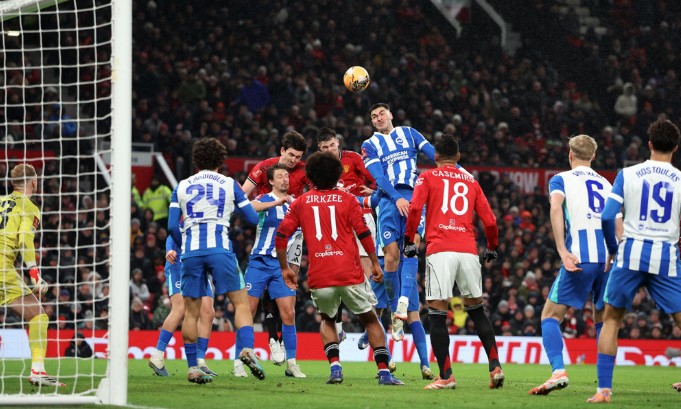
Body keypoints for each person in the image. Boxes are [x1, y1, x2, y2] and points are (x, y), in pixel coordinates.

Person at [275, 151, 403, 386]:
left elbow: (281, 235)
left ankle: (335, 368)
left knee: (327, 319)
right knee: (370, 319)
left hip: (320, 275)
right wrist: (375, 262)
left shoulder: (301, 202)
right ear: (336, 175)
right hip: (349, 272)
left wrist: (285, 268)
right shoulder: (348, 199)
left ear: (310, 175)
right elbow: (363, 233)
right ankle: (384, 372)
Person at [403, 133, 504, 389]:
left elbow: (414, 209)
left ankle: (446, 375)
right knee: (477, 310)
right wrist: (492, 247)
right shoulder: (471, 181)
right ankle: (495, 367)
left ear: (435, 156)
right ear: (458, 156)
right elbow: (490, 220)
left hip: (440, 250)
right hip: (468, 251)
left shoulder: (427, 177)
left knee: (437, 313)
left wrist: (409, 241)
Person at [590, 119, 681, 403]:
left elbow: (608, 216)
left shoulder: (627, 174)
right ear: (675, 148)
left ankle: (604, 391)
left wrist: (612, 249)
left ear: (649, 144)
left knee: (611, 320)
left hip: (630, 252)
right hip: (665, 255)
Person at [530, 134, 621, 395]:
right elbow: (619, 226)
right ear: (593, 156)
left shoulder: (561, 179)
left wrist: (562, 250)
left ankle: (558, 371)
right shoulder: (607, 183)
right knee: (604, 321)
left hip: (580, 257)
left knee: (550, 316)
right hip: (608, 260)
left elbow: (555, 208)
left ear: (570, 154)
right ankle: (604, 385)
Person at [168, 137, 264, 384]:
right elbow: (253, 219)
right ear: (221, 161)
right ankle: (247, 349)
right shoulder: (230, 184)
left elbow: (171, 226)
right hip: (220, 250)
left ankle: (193, 367)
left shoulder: (181, 186)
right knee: (241, 303)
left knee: (191, 313)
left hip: (191, 252)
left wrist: (185, 243)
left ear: (196, 162)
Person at [362, 102, 435, 379]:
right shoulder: (369, 145)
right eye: (373, 116)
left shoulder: (409, 133)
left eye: (381, 113)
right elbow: (379, 178)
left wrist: (458, 171)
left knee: (412, 249)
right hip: (390, 203)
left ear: (391, 114)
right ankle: (395, 312)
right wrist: (395, 198)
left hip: (414, 198)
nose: (378, 118)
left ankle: (401, 305)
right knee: (391, 257)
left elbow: (435, 154)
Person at [241, 130, 308, 359]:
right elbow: (242, 195)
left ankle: (282, 341)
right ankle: (272, 337)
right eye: (291, 155)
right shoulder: (263, 168)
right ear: (282, 151)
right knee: (266, 285)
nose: (294, 160)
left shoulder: (304, 170)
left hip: (294, 232)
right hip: (269, 224)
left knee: (289, 284)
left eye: (298, 156)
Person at [0, 163, 64, 387]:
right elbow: (25, 239)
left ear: (12, 183)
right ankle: (38, 370)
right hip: (2, 266)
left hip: (5, 268)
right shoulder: (29, 206)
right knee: (38, 316)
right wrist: (35, 275)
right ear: (34, 182)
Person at [317, 127, 376, 341]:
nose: (330, 150)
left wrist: (373, 192)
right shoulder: (319, 166)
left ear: (338, 143)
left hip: (361, 215)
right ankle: (339, 325)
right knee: (337, 273)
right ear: (320, 149)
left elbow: (374, 178)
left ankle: (370, 326)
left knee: (366, 272)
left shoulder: (353, 158)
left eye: (332, 145)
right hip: (336, 222)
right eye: (325, 147)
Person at [148, 234, 217, 377]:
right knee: (179, 309)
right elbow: (174, 229)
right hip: (178, 263)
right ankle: (157, 356)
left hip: (200, 266)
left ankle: (200, 361)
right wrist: (170, 249)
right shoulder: (186, 220)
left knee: (208, 312)